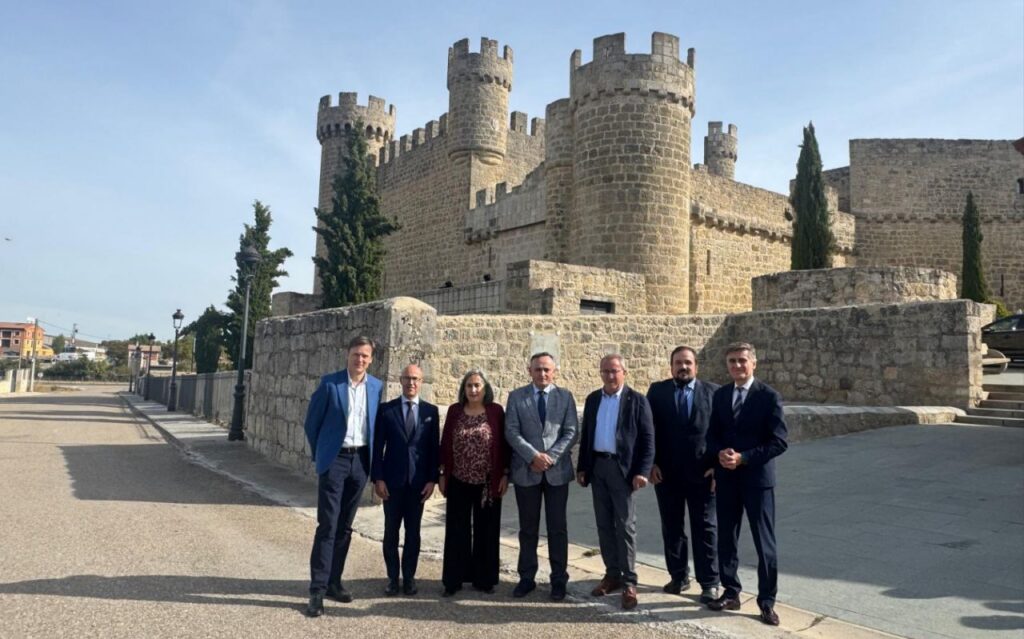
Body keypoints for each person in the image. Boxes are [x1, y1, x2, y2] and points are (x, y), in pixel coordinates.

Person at [705, 342, 788, 626]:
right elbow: (712, 434)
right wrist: (719, 453)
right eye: (732, 361)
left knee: (764, 542)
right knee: (726, 537)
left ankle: (766, 601)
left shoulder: (769, 397)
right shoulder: (721, 395)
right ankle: (731, 591)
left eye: (742, 361)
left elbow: (779, 441)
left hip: (757, 480)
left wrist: (744, 457)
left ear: (753, 363)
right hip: (727, 479)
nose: (737, 366)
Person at [303, 336, 385, 617]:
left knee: (345, 526)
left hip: (360, 461)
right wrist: (323, 456)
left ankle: (334, 582)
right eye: (355, 354)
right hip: (335, 460)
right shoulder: (330, 384)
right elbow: (311, 424)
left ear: (371, 359)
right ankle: (317, 590)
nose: (359, 360)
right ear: (347, 355)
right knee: (327, 524)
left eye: (364, 356)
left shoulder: (376, 387)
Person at [576, 354, 654, 610]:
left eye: (615, 371)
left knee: (625, 526)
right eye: (606, 371)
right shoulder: (593, 399)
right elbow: (586, 435)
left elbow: (647, 439)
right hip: (598, 467)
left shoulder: (637, 401)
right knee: (603, 525)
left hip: (623, 470)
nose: (610, 376)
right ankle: (612, 575)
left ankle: (630, 581)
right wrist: (583, 467)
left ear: (624, 372)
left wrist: (642, 471)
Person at [647, 346, 720, 604]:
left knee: (705, 528)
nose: (683, 367)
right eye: (678, 363)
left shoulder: (713, 392)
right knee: (672, 528)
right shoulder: (657, 392)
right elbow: (649, 431)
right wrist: (651, 463)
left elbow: (723, 433)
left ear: (696, 366)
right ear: (671, 367)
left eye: (688, 362)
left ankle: (710, 583)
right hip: (666, 475)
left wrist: (718, 469)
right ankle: (678, 576)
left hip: (703, 474)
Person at [505, 352, 579, 601]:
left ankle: (559, 579)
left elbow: (571, 432)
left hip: (556, 473)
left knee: (558, 528)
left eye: (547, 369)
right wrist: (533, 456)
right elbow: (511, 431)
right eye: (538, 369)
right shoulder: (517, 397)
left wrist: (550, 458)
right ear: (530, 371)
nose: (543, 374)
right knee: (528, 529)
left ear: (554, 371)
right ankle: (527, 578)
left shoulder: (565, 396)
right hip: (527, 472)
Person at [439, 369, 509, 597]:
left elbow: (504, 445)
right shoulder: (454, 411)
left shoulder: (496, 412)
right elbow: (445, 443)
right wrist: (441, 473)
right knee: (456, 530)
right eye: (469, 386)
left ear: (485, 388)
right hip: (459, 478)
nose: (473, 389)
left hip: (487, 482)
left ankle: (484, 579)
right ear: (463, 389)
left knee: (486, 530)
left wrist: (505, 474)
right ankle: (453, 580)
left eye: (477, 385)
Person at [370, 363, 439, 597]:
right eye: (408, 378)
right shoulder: (386, 411)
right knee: (391, 532)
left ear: (421, 382)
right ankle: (392, 578)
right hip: (392, 483)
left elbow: (433, 450)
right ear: (400, 381)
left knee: (413, 533)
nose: (411, 383)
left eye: (416, 379)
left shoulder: (431, 412)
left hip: (418, 485)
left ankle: (409, 578)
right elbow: (377, 447)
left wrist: (432, 480)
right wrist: (378, 478)